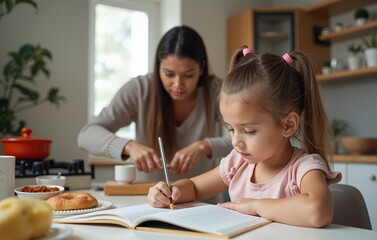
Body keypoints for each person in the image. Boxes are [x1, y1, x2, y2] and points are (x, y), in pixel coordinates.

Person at [147, 47, 342, 228]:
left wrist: (256, 206)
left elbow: (318, 211)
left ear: (288, 125)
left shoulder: (304, 169)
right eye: (231, 129)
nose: (235, 142)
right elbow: (194, 187)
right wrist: (169, 192)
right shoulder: (238, 163)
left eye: (248, 131)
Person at [78, 26, 232, 183]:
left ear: (201, 68)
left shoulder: (216, 91)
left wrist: (204, 146)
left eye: (188, 75)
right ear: (158, 67)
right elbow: (86, 135)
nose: (178, 84)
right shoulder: (139, 90)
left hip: (204, 202)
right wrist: (128, 146)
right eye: (169, 74)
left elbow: (245, 138)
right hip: (149, 199)